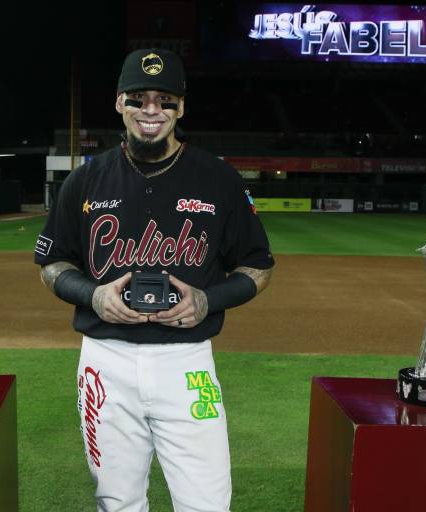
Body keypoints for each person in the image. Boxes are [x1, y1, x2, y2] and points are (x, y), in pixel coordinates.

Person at [34, 48, 274, 511]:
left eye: (165, 100)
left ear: (181, 107)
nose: (151, 110)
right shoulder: (85, 180)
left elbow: (258, 267)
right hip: (104, 360)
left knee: (207, 504)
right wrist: (93, 295)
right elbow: (52, 265)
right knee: (117, 502)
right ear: (119, 102)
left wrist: (206, 301)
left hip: (187, 361)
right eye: (138, 98)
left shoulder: (218, 178)